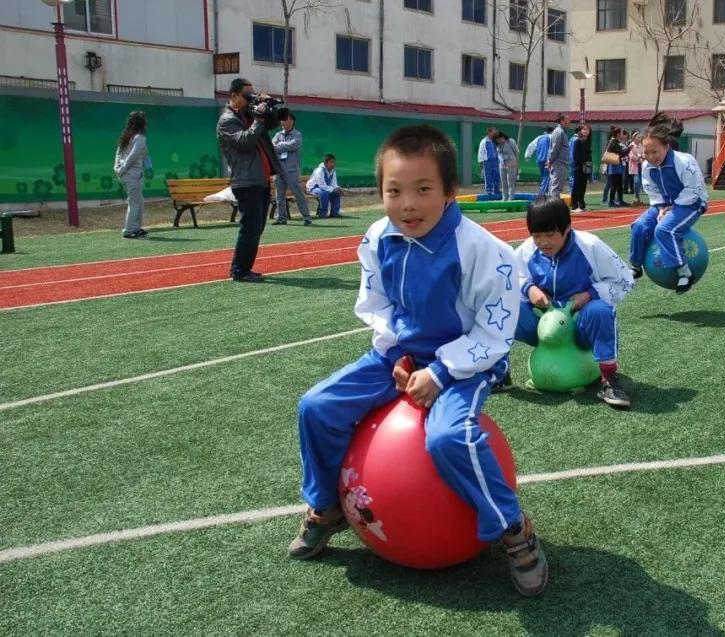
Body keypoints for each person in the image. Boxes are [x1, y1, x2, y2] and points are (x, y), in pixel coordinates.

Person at [288, 124, 548, 597]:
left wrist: (441, 370)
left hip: (465, 363)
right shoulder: (377, 237)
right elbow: (379, 302)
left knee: (449, 438)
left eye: (423, 189)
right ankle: (326, 508)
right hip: (399, 357)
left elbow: (495, 331)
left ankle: (514, 529)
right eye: (394, 191)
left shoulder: (484, 251)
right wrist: (400, 354)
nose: (407, 204)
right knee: (316, 407)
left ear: (450, 192)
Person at [513, 196, 634, 408]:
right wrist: (529, 288)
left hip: (579, 325)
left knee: (600, 311)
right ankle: (498, 371)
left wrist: (589, 294)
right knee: (503, 310)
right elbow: (509, 277)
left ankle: (609, 379)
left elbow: (624, 280)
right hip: (544, 327)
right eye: (536, 236)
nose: (543, 243)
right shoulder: (527, 250)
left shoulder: (590, 246)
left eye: (550, 235)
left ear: (567, 228)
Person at [628, 112, 709, 295]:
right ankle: (635, 266)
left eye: (654, 151)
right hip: (664, 204)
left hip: (691, 203)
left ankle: (684, 272)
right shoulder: (647, 166)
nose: (650, 156)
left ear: (666, 146)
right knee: (639, 226)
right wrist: (662, 207)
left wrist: (674, 206)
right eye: (646, 152)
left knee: (664, 230)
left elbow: (694, 189)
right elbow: (652, 190)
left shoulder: (684, 161)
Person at [217, 78, 285, 282]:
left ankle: (245, 268)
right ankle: (239, 271)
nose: (250, 99)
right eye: (247, 96)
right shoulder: (227, 120)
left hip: (261, 179)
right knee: (250, 226)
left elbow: (271, 124)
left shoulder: (249, 114)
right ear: (234, 96)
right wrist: (258, 119)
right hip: (245, 180)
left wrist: (268, 107)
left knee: (258, 227)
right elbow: (245, 141)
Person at [271, 109, 313, 225]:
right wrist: (282, 146)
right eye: (281, 120)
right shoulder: (277, 135)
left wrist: (279, 146)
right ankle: (281, 218)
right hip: (278, 170)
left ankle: (307, 217)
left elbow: (293, 145)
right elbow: (271, 147)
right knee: (279, 195)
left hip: (291, 170)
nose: (282, 122)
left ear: (292, 121)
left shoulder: (297, 135)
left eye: (285, 119)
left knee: (298, 193)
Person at [114, 111, 150, 239]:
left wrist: (117, 168)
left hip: (128, 174)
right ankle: (128, 230)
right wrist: (121, 169)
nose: (147, 123)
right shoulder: (139, 138)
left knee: (139, 201)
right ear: (141, 123)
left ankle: (136, 228)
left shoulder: (127, 136)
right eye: (145, 121)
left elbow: (119, 154)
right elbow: (132, 157)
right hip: (132, 175)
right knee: (135, 202)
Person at [546, 114, 571, 196]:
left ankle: (551, 206)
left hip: (560, 164)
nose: (569, 122)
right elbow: (554, 149)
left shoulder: (561, 132)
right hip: (558, 164)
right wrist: (550, 161)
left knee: (555, 187)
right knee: (556, 188)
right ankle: (554, 207)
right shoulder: (559, 132)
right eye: (567, 120)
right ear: (562, 121)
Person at [603, 127, 629, 207]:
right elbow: (622, 153)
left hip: (618, 167)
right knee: (614, 185)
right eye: (621, 133)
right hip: (614, 167)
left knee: (619, 185)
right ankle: (611, 201)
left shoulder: (617, 142)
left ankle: (620, 200)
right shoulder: (614, 142)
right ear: (618, 134)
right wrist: (629, 149)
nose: (622, 134)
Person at [570, 124, 593, 213]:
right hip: (578, 167)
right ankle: (574, 205)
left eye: (587, 129)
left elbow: (589, 155)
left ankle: (582, 204)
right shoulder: (577, 141)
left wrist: (589, 166)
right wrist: (580, 164)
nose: (586, 131)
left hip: (586, 167)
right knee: (576, 186)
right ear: (580, 131)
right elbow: (575, 155)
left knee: (583, 186)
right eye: (584, 129)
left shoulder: (588, 142)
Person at [525, 127, 553, 195]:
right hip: (548, 160)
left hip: (540, 160)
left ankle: (545, 193)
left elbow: (530, 146)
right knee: (547, 177)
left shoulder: (539, 138)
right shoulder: (552, 137)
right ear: (552, 131)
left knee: (544, 177)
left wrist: (527, 156)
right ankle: (542, 194)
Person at [477, 128, 502, 198]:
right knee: (488, 176)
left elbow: (498, 150)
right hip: (487, 161)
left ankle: (496, 190)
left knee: (497, 176)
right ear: (488, 132)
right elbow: (481, 151)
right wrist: (481, 161)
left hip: (496, 161)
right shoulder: (484, 141)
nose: (493, 134)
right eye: (492, 132)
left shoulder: (494, 141)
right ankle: (489, 191)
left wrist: (500, 159)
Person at [495, 131, 519, 201]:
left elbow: (516, 152)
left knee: (510, 181)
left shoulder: (510, 141)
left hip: (511, 164)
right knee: (503, 181)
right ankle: (504, 197)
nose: (498, 141)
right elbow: (499, 154)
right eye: (497, 140)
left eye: (499, 139)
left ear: (502, 137)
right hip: (502, 164)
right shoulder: (498, 145)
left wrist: (516, 163)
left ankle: (511, 197)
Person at [628, 131, 644, 205]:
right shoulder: (631, 145)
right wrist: (638, 158)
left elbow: (644, 153)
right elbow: (631, 156)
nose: (639, 138)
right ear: (634, 138)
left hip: (641, 166)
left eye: (639, 137)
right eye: (637, 137)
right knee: (636, 182)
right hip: (635, 166)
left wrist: (642, 157)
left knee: (640, 183)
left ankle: (638, 199)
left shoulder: (641, 145)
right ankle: (635, 198)